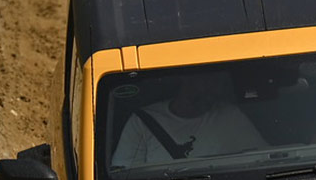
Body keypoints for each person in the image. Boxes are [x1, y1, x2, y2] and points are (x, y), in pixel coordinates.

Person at [109, 69, 266, 168]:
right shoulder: (142, 122)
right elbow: (125, 175)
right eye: (211, 80)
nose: (216, 89)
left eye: (221, 83)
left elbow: (261, 159)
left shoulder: (230, 116)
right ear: (187, 78)